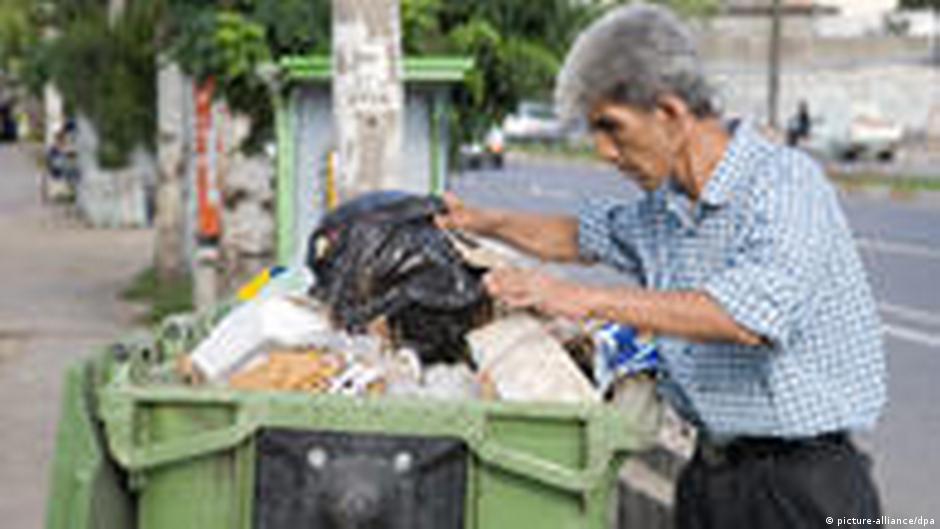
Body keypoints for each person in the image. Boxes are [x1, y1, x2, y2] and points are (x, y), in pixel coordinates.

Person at [436, 5, 885, 529]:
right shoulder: (667, 209)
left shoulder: (784, 185)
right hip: (711, 476)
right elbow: (576, 235)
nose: (604, 151)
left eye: (612, 128)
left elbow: (745, 317)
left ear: (670, 113)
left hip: (802, 488)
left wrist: (575, 298)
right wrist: (481, 220)